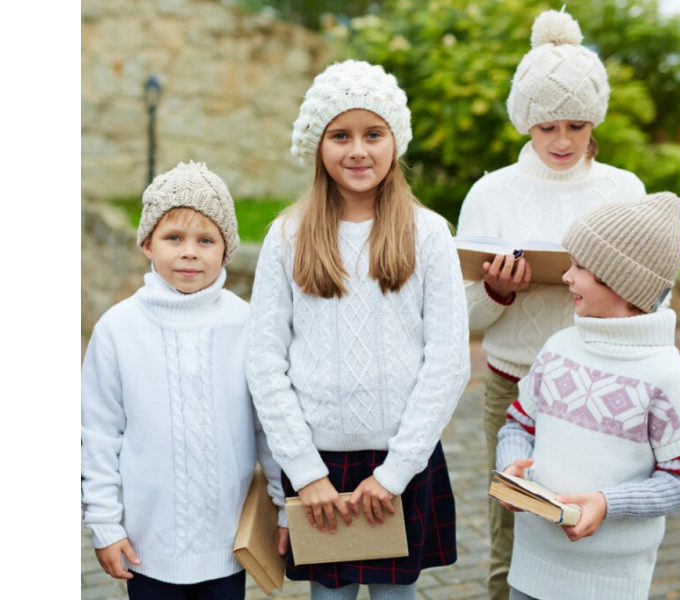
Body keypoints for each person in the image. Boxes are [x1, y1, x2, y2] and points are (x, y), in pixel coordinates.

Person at [246, 60, 470, 600]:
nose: (357, 150)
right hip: (319, 464)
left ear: (396, 141)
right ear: (317, 146)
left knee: (397, 596)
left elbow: (448, 363)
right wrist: (304, 471)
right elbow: (263, 361)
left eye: (374, 134)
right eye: (339, 135)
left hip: (403, 461)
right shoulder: (288, 236)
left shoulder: (429, 234)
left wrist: (396, 473)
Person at [455, 9, 648, 598]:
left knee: (598, 532)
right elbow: (462, 318)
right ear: (525, 123)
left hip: (605, 388)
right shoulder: (490, 194)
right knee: (511, 540)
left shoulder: (624, 190)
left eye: (576, 124)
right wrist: (498, 289)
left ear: (595, 121)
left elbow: (650, 299)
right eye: (546, 127)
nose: (562, 141)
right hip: (515, 386)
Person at [81, 161, 286, 600]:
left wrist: (284, 505)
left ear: (226, 250)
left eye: (206, 240)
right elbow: (97, 435)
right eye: (173, 237)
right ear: (147, 243)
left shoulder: (247, 324)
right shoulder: (117, 329)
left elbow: (270, 426)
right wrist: (103, 524)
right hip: (146, 548)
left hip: (229, 547)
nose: (189, 252)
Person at [496, 192, 680, 600]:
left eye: (581, 267)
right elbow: (518, 425)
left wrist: (607, 503)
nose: (566, 276)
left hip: (610, 581)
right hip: (531, 563)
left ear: (622, 281)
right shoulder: (558, 347)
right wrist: (511, 471)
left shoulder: (665, 376)